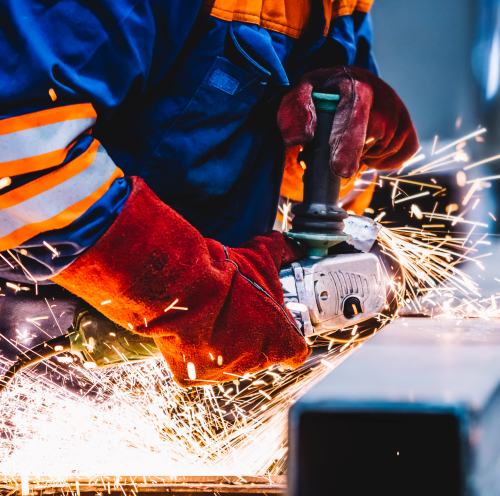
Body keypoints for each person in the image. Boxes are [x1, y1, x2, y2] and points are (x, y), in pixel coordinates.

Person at [0, 0, 418, 386]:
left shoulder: (338, 5)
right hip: (27, 337)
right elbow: (15, 152)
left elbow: (270, 193)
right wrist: (193, 293)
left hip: (151, 364)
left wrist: (331, 157)